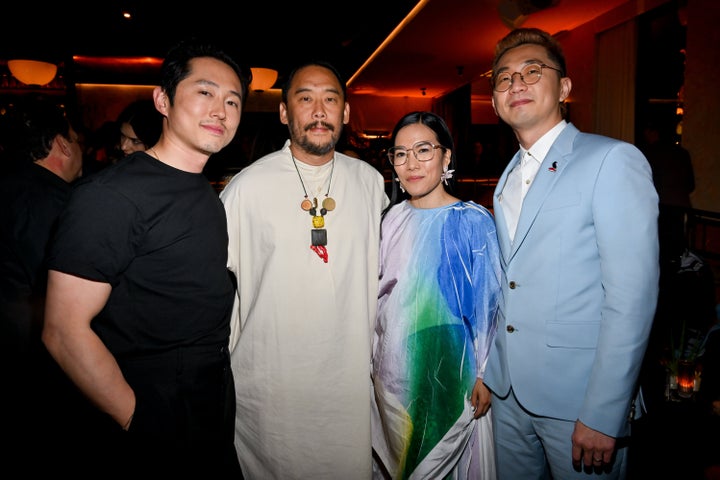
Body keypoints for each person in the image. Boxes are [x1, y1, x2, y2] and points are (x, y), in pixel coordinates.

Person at [41, 38, 250, 476]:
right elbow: (62, 330)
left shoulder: (206, 192)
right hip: (152, 402)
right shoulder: (111, 195)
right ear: (163, 100)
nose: (221, 110)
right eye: (205, 92)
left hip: (208, 396)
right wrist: (138, 418)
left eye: (233, 101)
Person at [482, 27, 659, 479]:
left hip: (579, 402)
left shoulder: (611, 160)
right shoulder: (504, 178)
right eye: (503, 78)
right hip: (507, 396)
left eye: (532, 71)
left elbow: (631, 299)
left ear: (564, 87)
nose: (515, 84)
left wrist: (604, 412)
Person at [219, 60, 389, 479]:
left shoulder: (370, 183)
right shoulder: (246, 188)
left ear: (345, 113)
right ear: (283, 113)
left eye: (330, 99)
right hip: (273, 388)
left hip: (348, 386)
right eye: (305, 98)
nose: (319, 110)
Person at [371, 111, 501, 479]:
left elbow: (490, 306)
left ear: (446, 157)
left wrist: (486, 374)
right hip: (392, 374)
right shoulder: (389, 220)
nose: (410, 163)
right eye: (399, 153)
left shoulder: (474, 220)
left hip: (453, 373)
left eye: (423, 150)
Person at [0, 95, 88, 473]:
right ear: (61, 144)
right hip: (36, 362)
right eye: (77, 140)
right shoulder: (55, 202)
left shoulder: (8, 185)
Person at [640, 118, 695, 266]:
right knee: (678, 250)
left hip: (661, 206)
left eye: (647, 131)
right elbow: (691, 185)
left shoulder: (649, 153)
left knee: (659, 250)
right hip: (681, 206)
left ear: (653, 132)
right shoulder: (682, 153)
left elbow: (646, 185)